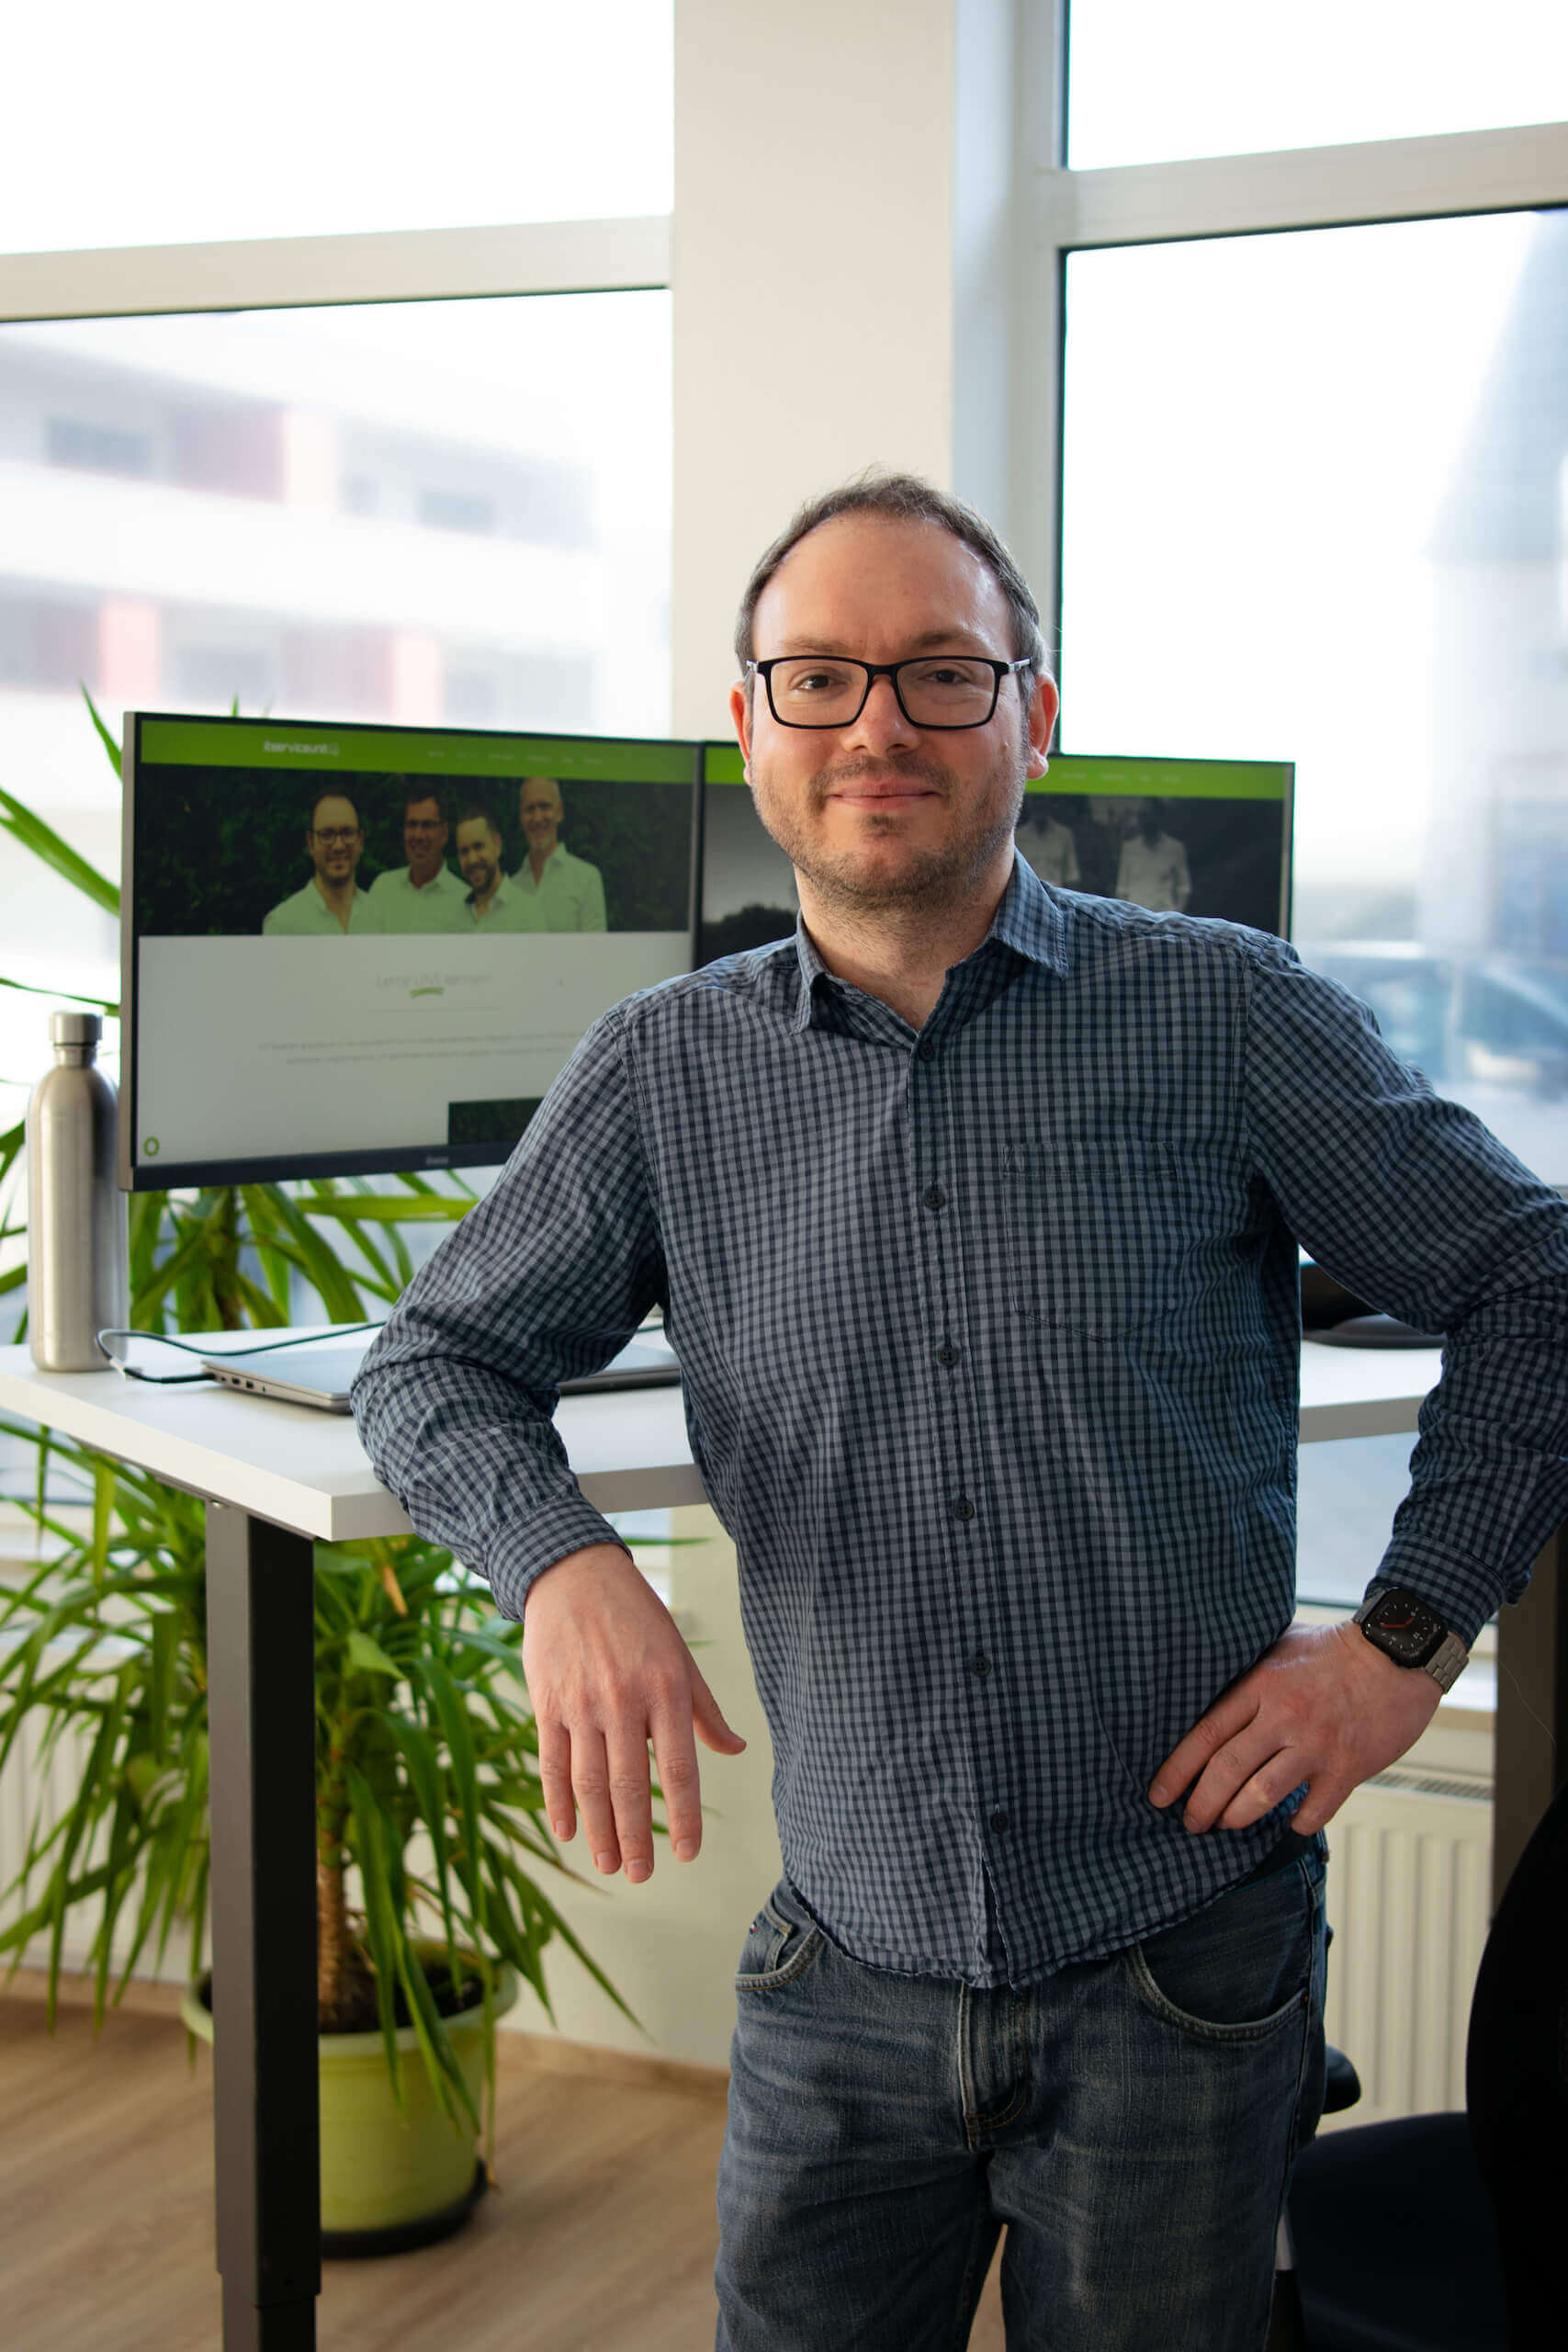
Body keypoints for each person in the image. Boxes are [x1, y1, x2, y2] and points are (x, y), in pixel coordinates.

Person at [352, 471, 1568, 2352]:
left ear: (1034, 715)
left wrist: (1404, 1638)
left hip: (1181, 1966)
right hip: (839, 1971)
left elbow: (1533, 1277)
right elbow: (435, 1359)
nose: (879, 728)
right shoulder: (663, 1071)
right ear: (748, 724)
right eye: (820, 678)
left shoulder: (1223, 1014)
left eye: (940, 673)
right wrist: (558, 1565)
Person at [262, 791, 384, 934]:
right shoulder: (283, 923)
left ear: (360, 840)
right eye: (327, 834)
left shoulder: (378, 916)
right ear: (310, 843)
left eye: (348, 833)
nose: (338, 846)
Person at [367, 785, 469, 933]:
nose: (418, 835)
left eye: (427, 825)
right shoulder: (383, 888)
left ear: (444, 833)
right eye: (412, 824)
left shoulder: (464, 902)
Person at [512, 775, 608, 931]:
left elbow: (596, 952)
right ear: (521, 816)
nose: (537, 818)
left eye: (544, 806)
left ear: (559, 811)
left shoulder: (587, 879)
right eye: (529, 809)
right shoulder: (512, 888)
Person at [1115, 796, 1192, 912]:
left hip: (1163, 918)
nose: (1143, 820)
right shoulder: (1129, 848)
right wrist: (1126, 915)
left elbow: (1184, 888)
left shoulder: (1175, 848)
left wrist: (1176, 914)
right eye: (1141, 815)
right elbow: (1122, 889)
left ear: (1158, 817)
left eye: (1147, 815)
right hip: (1135, 918)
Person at [454, 803, 524, 928]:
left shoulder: (528, 912)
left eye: (478, 846)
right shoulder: (455, 917)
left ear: (497, 846)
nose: (472, 860)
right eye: (464, 851)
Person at [1014, 796, 1080, 888]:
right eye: (1035, 801)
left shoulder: (1064, 835)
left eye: (1043, 801)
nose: (1039, 805)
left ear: (1049, 804)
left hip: (1056, 896)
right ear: (1029, 805)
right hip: (1028, 893)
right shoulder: (1018, 837)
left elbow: (1072, 875)